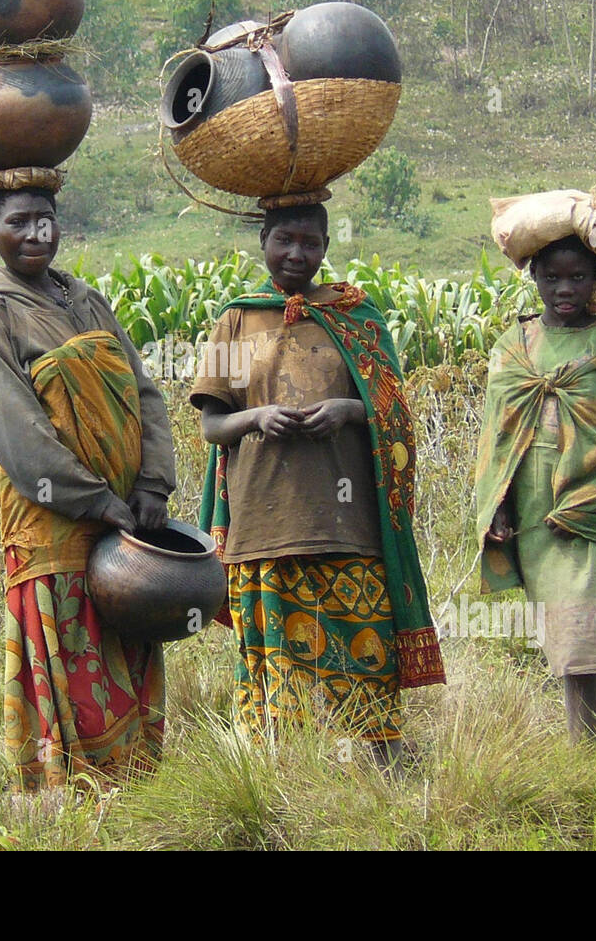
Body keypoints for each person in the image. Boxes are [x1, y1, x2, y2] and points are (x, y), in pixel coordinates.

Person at [190, 202, 445, 769]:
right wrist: (257, 418)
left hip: (347, 527)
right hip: (264, 525)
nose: (296, 254)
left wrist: (350, 409)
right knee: (277, 680)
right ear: (263, 239)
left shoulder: (357, 318)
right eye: (285, 240)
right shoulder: (237, 319)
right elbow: (212, 425)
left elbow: (395, 413)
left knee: (367, 663)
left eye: (310, 242)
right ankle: (282, 792)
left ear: (327, 245)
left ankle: (389, 781)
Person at [0, 187, 177, 791]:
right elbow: (15, 428)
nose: (36, 233)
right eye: (18, 221)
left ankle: (137, 785)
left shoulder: (87, 299)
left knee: (127, 634)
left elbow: (145, 395)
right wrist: (94, 500)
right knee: (72, 644)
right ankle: (78, 787)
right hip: (54, 518)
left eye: (46, 220)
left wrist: (152, 486)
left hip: (129, 516)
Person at [476, 233, 596, 741]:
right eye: (552, 277)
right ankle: (584, 756)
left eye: (578, 277)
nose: (564, 288)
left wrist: (589, 491)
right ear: (533, 276)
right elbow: (496, 437)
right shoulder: (513, 346)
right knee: (571, 640)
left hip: (593, 507)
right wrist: (496, 506)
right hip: (536, 513)